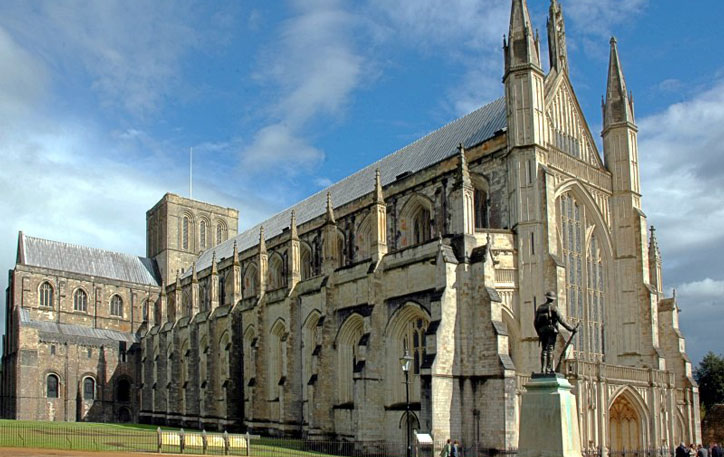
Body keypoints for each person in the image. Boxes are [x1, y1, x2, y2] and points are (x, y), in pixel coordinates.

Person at [534, 291, 577, 373]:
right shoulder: (554, 308)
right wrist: (571, 329)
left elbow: (535, 323)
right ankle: (548, 369)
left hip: (542, 331)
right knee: (550, 349)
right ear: (553, 299)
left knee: (544, 350)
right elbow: (562, 321)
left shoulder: (540, 308)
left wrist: (539, 332)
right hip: (551, 330)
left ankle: (543, 369)